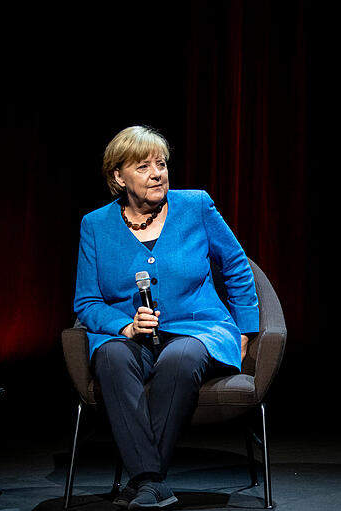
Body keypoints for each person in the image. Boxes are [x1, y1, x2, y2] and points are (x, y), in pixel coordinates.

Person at [74, 126, 259, 510]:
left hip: (199, 330)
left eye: (161, 163)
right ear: (118, 177)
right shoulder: (94, 225)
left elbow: (238, 267)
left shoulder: (196, 205)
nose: (157, 173)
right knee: (110, 356)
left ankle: (143, 480)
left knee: (181, 357)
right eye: (143, 166)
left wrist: (246, 329)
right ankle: (151, 481)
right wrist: (124, 326)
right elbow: (87, 302)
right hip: (132, 338)